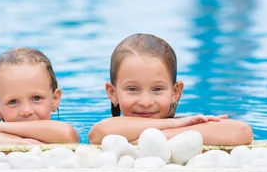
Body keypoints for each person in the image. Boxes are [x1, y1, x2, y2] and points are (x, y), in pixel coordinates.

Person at [88, 33, 253, 145]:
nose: (146, 102)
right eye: (132, 89)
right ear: (112, 93)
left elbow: (242, 131)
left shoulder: (182, 126)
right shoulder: (181, 125)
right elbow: (99, 132)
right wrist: (175, 124)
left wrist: (158, 137)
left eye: (157, 89)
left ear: (175, 92)